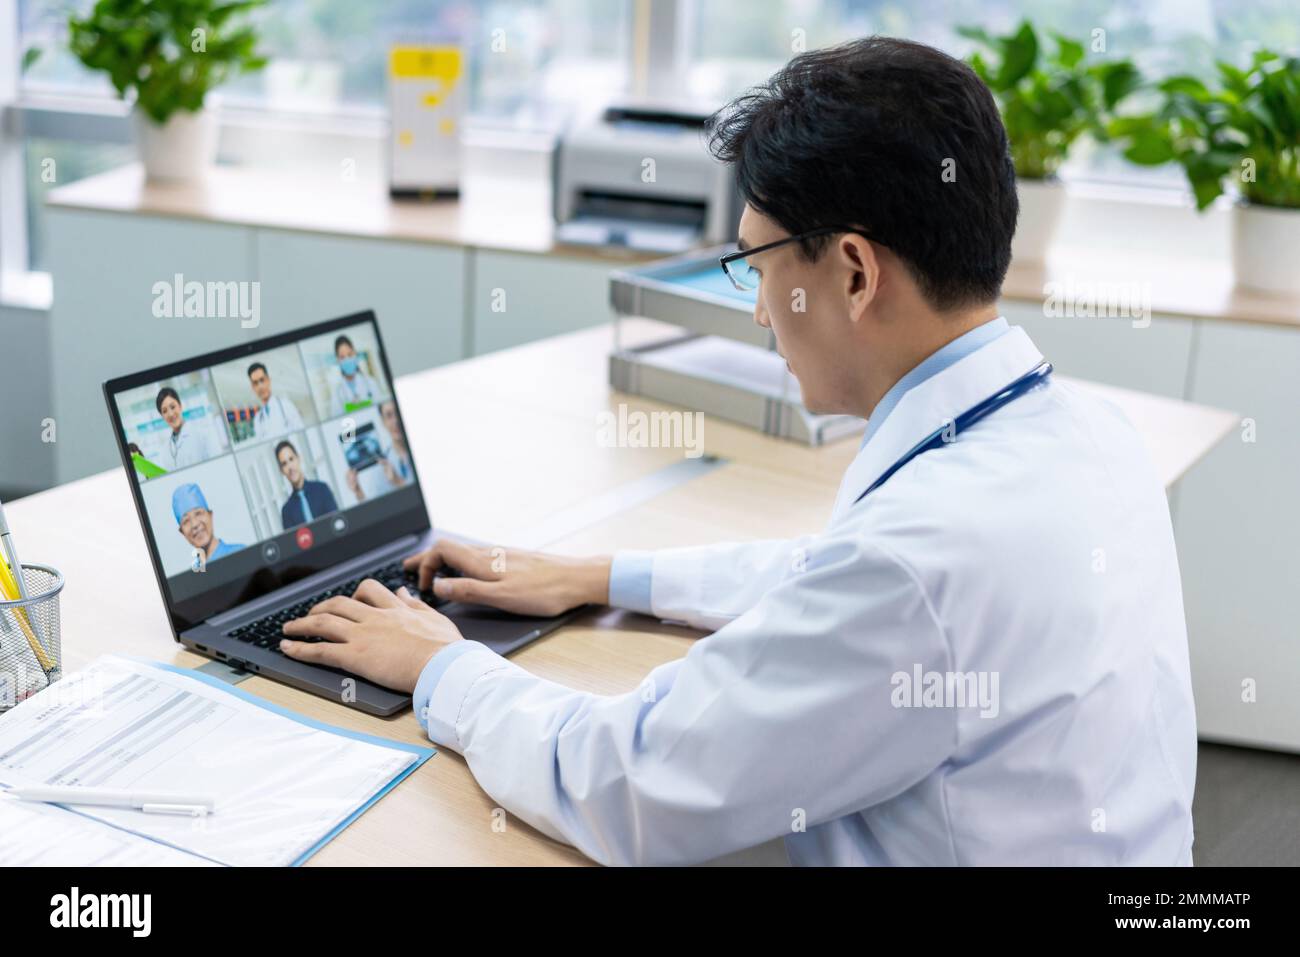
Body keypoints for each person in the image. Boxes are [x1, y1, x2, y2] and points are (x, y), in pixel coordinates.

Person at [281, 38, 1197, 867]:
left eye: (759, 269)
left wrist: (438, 663)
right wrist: (593, 575)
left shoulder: (915, 563)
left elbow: (627, 783)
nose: (760, 312)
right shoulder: (1084, 433)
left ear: (851, 271)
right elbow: (826, 586)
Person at [346, 402, 410, 502]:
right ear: (383, 422)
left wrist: (398, 482)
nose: (396, 421)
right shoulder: (380, 468)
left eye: (398, 413)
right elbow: (375, 511)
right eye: (389, 416)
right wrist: (358, 492)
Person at [171, 483, 244, 567]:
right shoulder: (193, 575)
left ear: (210, 515)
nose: (194, 524)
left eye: (198, 513)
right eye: (186, 521)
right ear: (182, 532)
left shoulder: (240, 553)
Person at [276, 440, 339, 528]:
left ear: (298, 459)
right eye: (284, 464)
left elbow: (336, 523)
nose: (290, 467)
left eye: (291, 459)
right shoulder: (287, 511)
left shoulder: (322, 490)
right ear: (281, 470)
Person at [156, 387, 222, 470]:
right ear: (162, 416)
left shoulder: (203, 434)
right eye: (165, 411)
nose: (170, 414)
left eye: (172, 407)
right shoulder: (166, 449)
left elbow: (218, 466)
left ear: (180, 406)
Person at [248, 361, 305, 440]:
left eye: (262, 380)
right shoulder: (257, 420)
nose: (260, 386)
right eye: (255, 383)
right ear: (253, 388)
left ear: (268, 380)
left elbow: (303, 436)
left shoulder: (286, 405)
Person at [328, 335, 381, 417]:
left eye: (349, 355)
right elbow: (336, 422)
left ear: (355, 354)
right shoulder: (337, 393)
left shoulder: (370, 383)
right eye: (342, 357)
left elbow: (381, 411)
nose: (347, 359)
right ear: (338, 360)